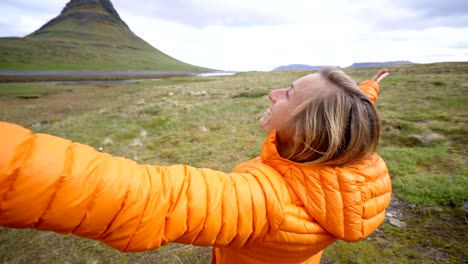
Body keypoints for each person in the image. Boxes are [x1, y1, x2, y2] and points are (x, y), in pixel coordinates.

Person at [0, 67, 391, 264]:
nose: (273, 93)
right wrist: (371, 86)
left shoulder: (262, 202)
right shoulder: (347, 159)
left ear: (308, 128)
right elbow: (356, 107)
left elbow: (137, 197)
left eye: (288, 93)